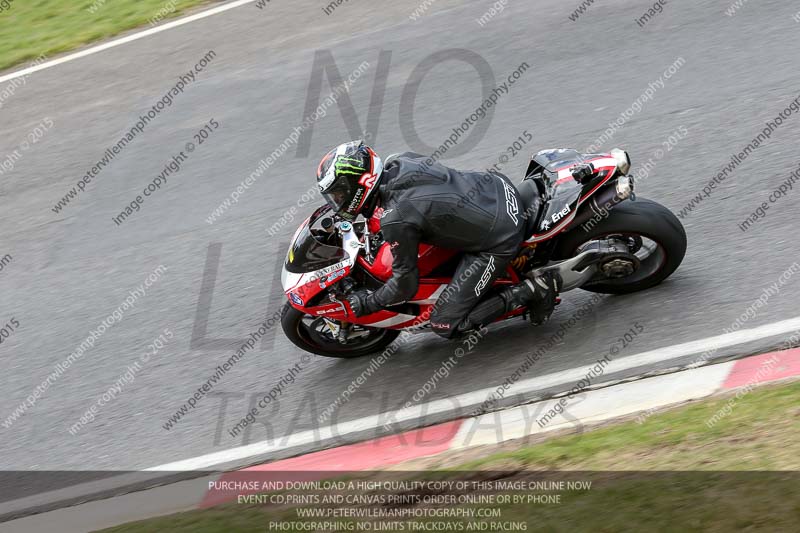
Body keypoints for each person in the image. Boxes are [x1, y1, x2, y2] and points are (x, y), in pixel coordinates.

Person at [316, 140, 561, 338]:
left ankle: (532, 289)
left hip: (500, 237)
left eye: (339, 194)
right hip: (496, 189)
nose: (337, 202)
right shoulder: (400, 160)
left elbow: (405, 285)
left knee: (445, 323)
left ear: (360, 184)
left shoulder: (396, 219)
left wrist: (368, 303)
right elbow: (416, 206)